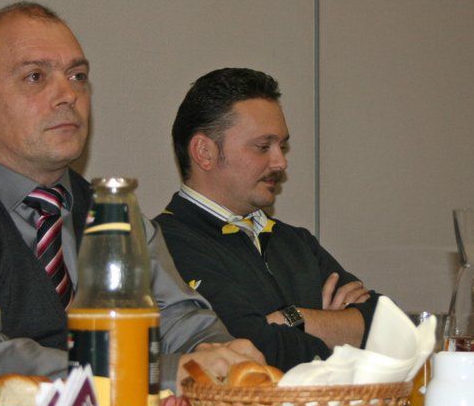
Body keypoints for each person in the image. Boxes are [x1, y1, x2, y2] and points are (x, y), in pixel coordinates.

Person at [0, 2, 262, 406]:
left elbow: (179, 320)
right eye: (35, 76)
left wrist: (221, 357)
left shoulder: (114, 216)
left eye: (78, 77)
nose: (68, 95)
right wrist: (156, 375)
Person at [155, 68, 379, 371]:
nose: (280, 162)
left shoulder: (296, 242)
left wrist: (293, 317)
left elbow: (389, 328)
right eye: (263, 147)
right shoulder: (164, 245)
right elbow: (250, 351)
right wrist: (338, 330)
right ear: (204, 152)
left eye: (282, 146)